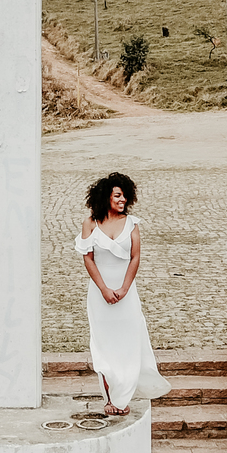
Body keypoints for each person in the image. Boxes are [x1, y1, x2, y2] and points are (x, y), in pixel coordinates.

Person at [75, 172, 170, 415]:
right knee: (104, 344)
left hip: (127, 293)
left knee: (128, 341)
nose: (122, 200)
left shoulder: (132, 224)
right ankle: (110, 398)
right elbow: (88, 259)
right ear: (105, 196)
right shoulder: (90, 223)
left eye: (125, 196)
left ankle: (123, 395)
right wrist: (104, 289)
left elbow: (135, 257)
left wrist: (124, 288)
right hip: (99, 294)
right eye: (118, 195)